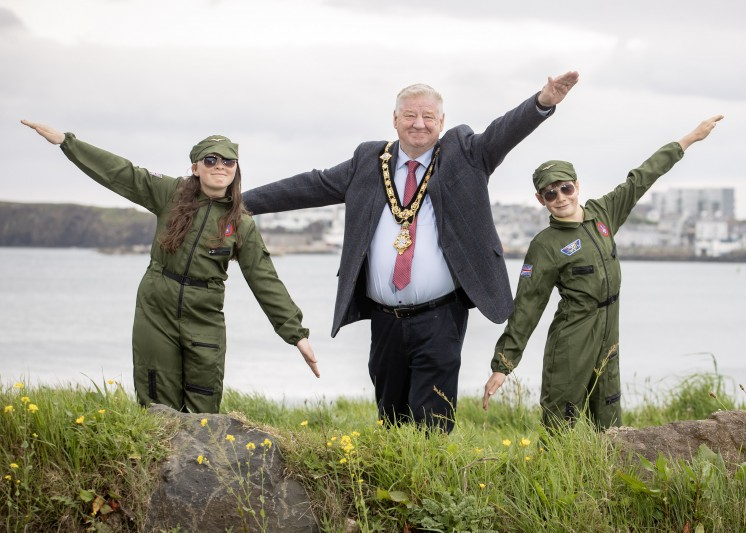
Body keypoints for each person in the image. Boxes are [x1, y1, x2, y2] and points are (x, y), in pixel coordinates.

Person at [242, 71, 580, 432]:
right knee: (390, 417)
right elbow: (310, 185)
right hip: (385, 319)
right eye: (410, 116)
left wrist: (542, 102)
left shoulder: (464, 154)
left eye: (428, 117)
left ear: (441, 122)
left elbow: (503, 131)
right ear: (395, 119)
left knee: (432, 421)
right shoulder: (369, 161)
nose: (419, 124)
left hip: (440, 315)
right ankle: (395, 484)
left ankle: (431, 485)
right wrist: (240, 203)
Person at [21, 120, 320, 414]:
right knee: (157, 406)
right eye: (211, 159)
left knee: (204, 409)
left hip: (204, 318)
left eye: (228, 161)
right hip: (156, 310)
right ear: (195, 167)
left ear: (236, 169)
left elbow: (264, 279)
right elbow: (122, 173)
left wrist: (297, 335)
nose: (220, 166)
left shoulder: (241, 223)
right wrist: (67, 142)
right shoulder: (170, 193)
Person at [482, 114, 724, 429]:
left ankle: (609, 475)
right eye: (551, 193)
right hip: (573, 339)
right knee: (561, 420)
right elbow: (528, 306)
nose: (561, 198)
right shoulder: (545, 245)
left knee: (610, 421)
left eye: (565, 188)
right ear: (540, 200)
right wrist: (503, 364)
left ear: (576, 186)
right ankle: (554, 472)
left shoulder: (603, 213)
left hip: (609, 331)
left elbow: (642, 177)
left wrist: (689, 139)